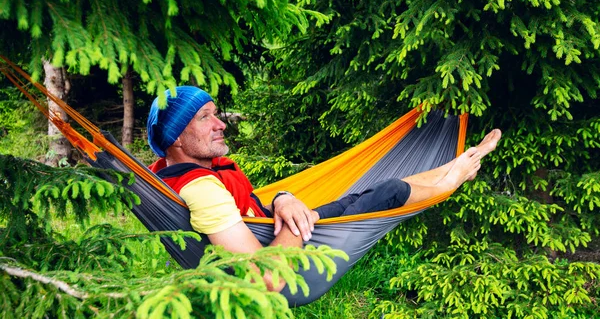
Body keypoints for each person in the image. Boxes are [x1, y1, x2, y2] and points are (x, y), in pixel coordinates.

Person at [147, 86, 501, 291]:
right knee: (388, 192)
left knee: (363, 195)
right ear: (176, 135)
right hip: (292, 244)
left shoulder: (175, 170)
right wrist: (297, 225)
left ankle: (450, 168)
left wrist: (284, 198)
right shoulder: (201, 187)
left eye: (215, 113)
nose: (220, 124)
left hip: (277, 224)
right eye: (205, 117)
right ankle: (453, 178)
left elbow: (247, 209)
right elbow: (264, 279)